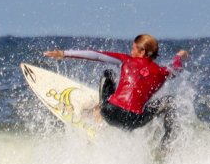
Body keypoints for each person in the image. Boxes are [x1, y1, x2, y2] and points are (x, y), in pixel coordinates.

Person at [44, 34, 188, 142]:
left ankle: (98, 116)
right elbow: (177, 66)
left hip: (110, 113)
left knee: (108, 73)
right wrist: (179, 55)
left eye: (133, 49)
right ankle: (167, 143)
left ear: (142, 51)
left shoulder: (126, 60)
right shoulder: (163, 73)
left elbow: (96, 56)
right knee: (169, 101)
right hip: (134, 121)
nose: (131, 52)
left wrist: (64, 54)